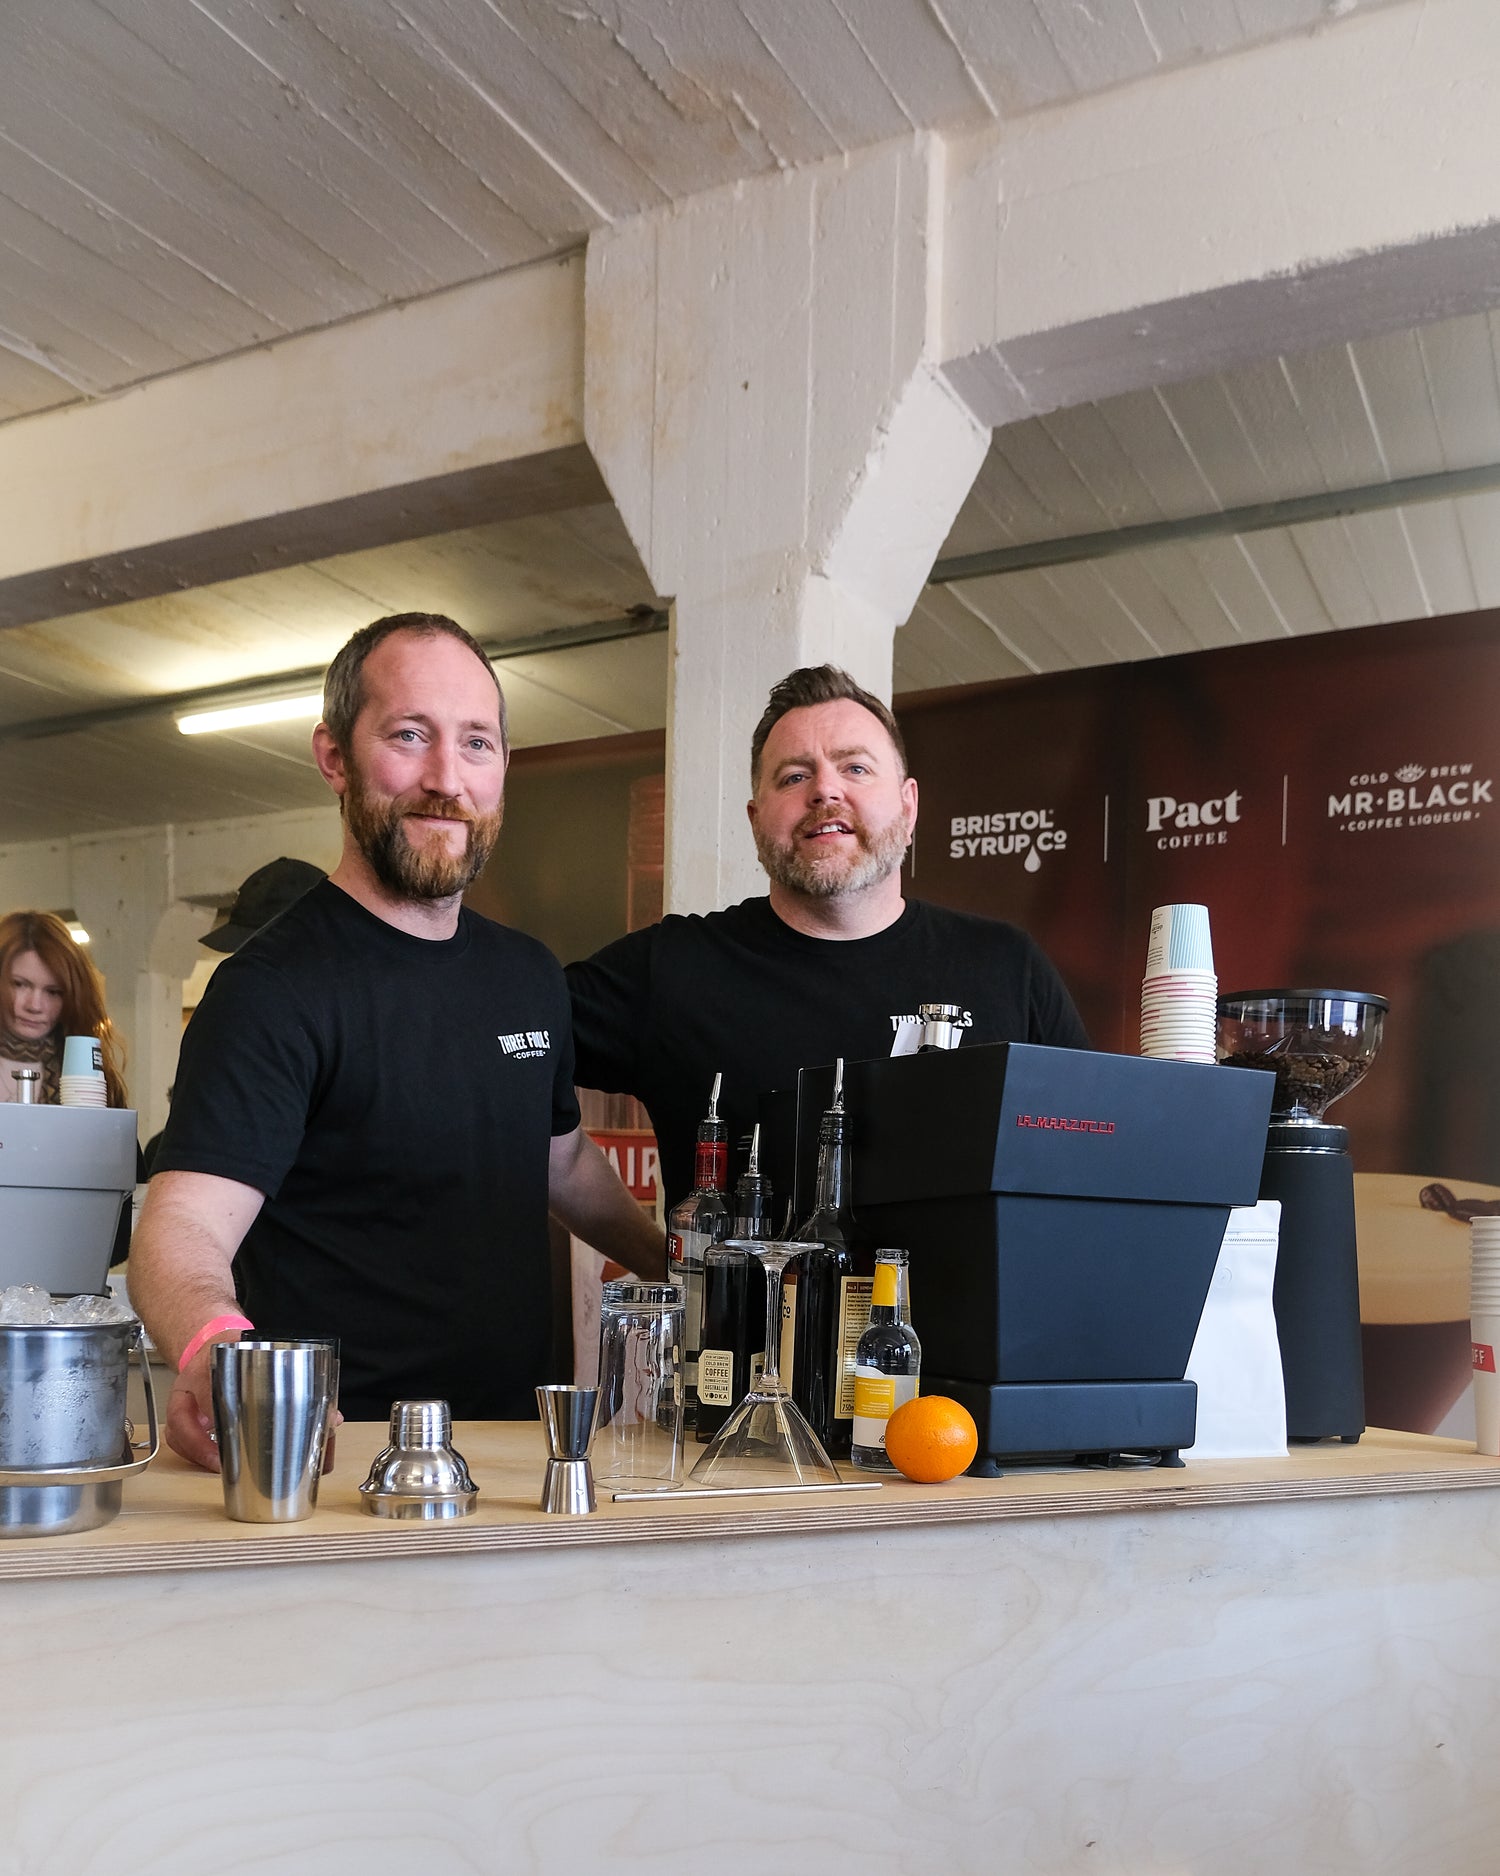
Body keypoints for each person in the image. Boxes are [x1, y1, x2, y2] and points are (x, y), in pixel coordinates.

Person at [131, 611, 665, 1469]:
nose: (446, 779)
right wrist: (217, 1350)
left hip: (513, 1451)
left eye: (477, 744)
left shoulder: (526, 974)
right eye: (410, 736)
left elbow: (558, 1161)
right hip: (344, 1462)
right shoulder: (272, 990)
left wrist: (674, 1264)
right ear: (334, 757)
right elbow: (184, 1225)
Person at [566, 664, 1090, 1210]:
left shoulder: (1007, 967)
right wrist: (658, 1254)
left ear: (909, 806)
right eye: (794, 777)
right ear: (755, 819)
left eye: (856, 768)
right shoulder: (671, 968)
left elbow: (1092, 1170)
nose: (825, 790)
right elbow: (502, 1055)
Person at [0, 911, 128, 1108]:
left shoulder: (86, 1070)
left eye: (53, 992)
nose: (34, 1006)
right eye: (20, 984)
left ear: (71, 997)